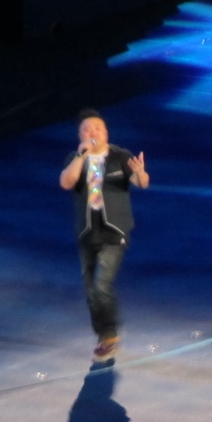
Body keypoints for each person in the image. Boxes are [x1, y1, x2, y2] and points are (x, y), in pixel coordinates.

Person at [59, 109, 149, 362]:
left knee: (101, 283)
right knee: (91, 290)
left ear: (106, 133)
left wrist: (141, 172)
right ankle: (104, 334)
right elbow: (66, 182)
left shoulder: (120, 156)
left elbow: (142, 182)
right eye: (86, 130)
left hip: (114, 230)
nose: (92, 133)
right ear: (80, 135)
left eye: (97, 129)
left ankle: (110, 336)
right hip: (88, 230)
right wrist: (81, 156)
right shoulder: (75, 158)